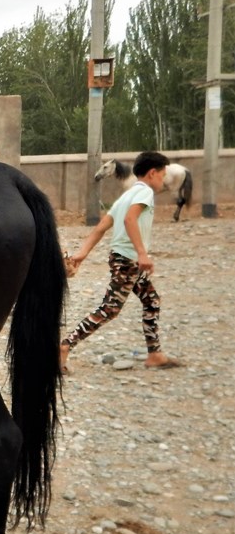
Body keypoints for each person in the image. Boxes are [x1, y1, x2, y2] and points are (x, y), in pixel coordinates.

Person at [60, 150, 179, 373]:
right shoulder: (144, 193)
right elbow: (129, 219)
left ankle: (155, 354)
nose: (163, 181)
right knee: (111, 308)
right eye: (162, 175)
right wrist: (142, 254)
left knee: (151, 300)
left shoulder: (127, 195)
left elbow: (102, 226)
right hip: (128, 260)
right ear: (152, 173)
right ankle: (65, 346)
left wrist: (82, 253)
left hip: (123, 259)